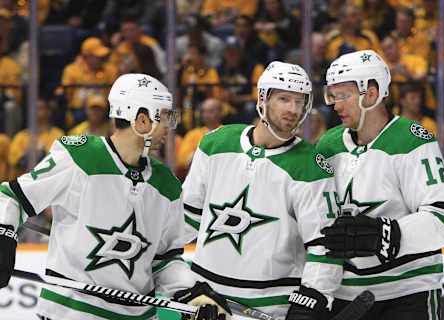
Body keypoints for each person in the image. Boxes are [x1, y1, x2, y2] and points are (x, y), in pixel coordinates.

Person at [0, 73, 230, 320]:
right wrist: (3, 234)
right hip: (70, 314)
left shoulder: (167, 185)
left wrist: (192, 291)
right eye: (165, 117)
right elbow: (10, 196)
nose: (170, 127)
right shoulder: (80, 157)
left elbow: (164, 260)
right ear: (142, 120)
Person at [182, 61, 342, 320]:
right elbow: (184, 220)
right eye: (283, 99)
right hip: (205, 302)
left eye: (299, 101)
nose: (292, 109)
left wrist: (314, 299)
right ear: (262, 99)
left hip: (269, 308)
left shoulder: (312, 167)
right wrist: (165, 272)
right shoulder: (216, 143)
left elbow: (325, 247)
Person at [316, 50, 444, 319]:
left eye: (343, 95)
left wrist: (387, 234)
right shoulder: (328, 145)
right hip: (344, 296)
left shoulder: (411, 140)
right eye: (332, 95)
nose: (335, 105)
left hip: (406, 294)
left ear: (371, 94)